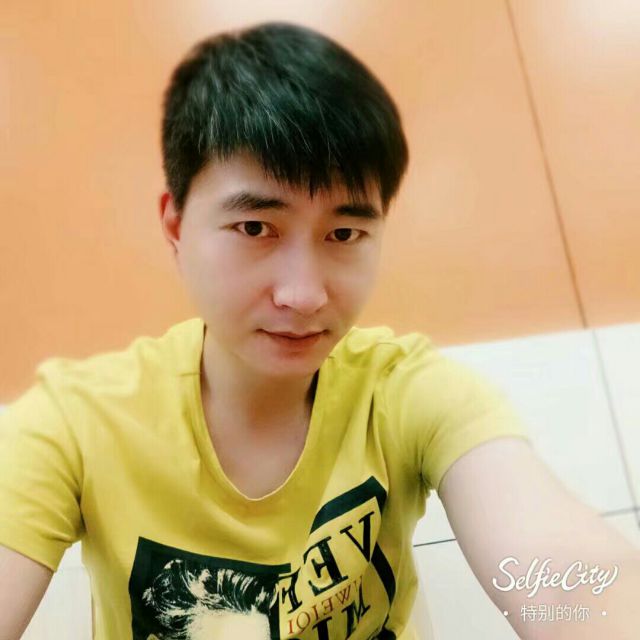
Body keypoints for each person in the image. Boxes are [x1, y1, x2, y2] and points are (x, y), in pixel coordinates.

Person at [1, 21, 639, 640]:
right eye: (256, 228)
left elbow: (564, 574)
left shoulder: (405, 394)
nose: (304, 294)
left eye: (344, 232)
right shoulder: (76, 425)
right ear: (176, 225)